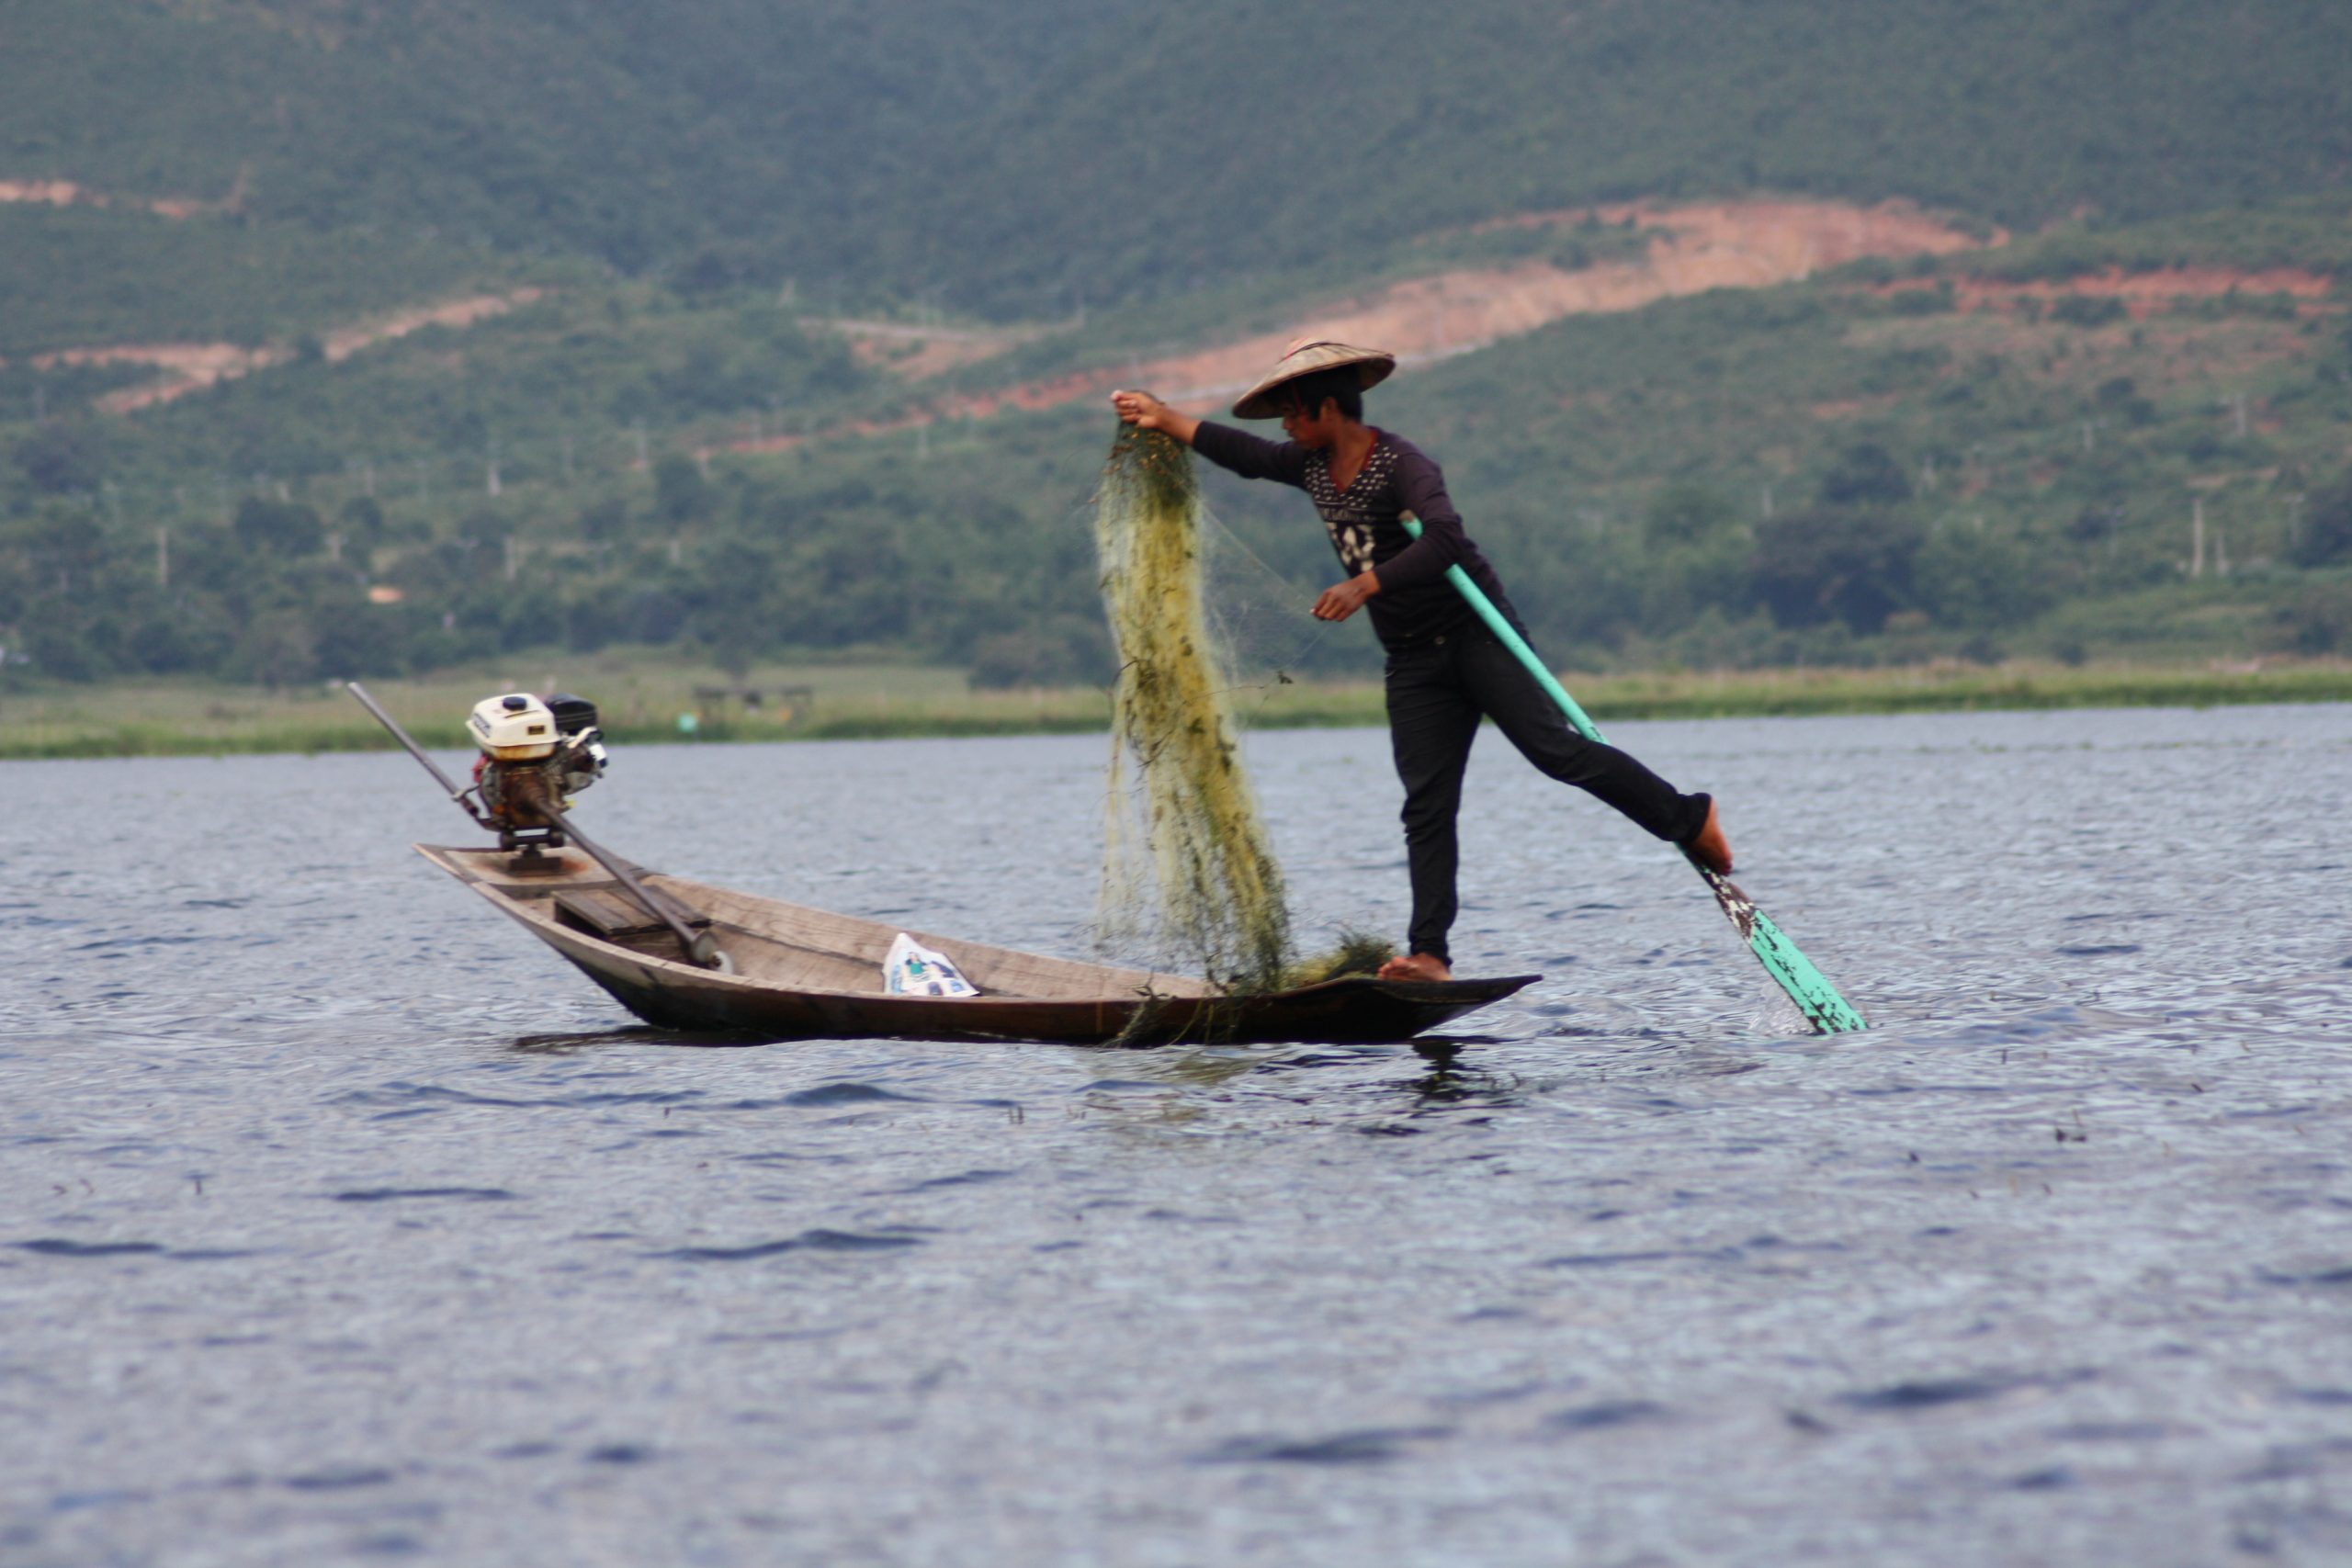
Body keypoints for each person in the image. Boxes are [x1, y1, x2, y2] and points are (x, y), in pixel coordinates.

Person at [1110, 338, 1731, 984]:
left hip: (1476, 636)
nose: (1286, 428)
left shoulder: (1402, 464)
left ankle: (1689, 816)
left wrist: (1364, 584)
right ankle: (1429, 954)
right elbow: (1250, 456)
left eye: (1293, 413)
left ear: (1328, 406)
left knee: (1557, 752)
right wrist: (1166, 417)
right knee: (1426, 806)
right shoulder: (1313, 465)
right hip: (1412, 660)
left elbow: (1446, 541)